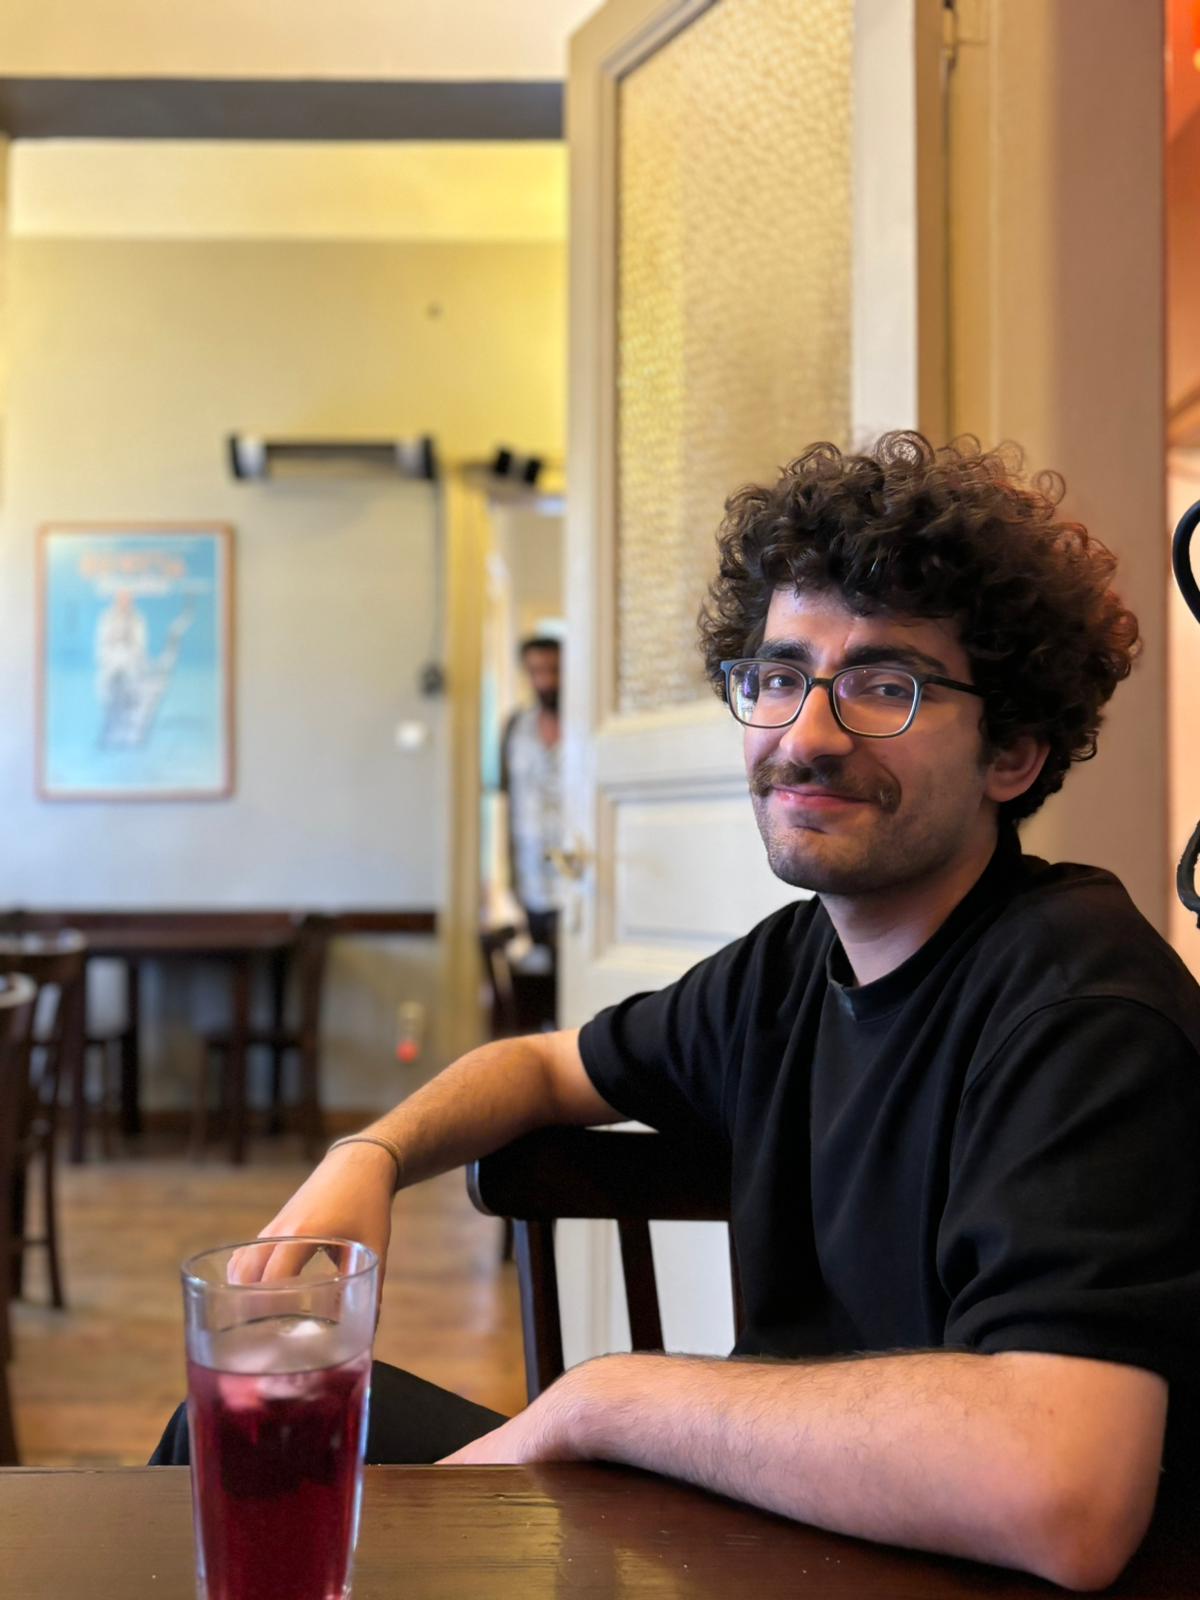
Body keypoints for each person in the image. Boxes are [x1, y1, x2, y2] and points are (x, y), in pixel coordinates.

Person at [152, 434, 1200, 1591]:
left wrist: (602, 1402)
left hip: (936, 1570)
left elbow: (1063, 1491)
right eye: (780, 676)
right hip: (773, 1537)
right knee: (229, 1434)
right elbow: (543, 1068)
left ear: (1014, 753)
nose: (806, 735)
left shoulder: (1081, 1000)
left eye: (885, 685)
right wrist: (372, 1155)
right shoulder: (793, 968)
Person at [500, 635, 563, 959]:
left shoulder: (587, 726)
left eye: (554, 670)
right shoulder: (515, 728)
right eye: (537, 671)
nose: (546, 681)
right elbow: (508, 804)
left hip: (577, 872)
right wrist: (509, 874)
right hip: (532, 876)